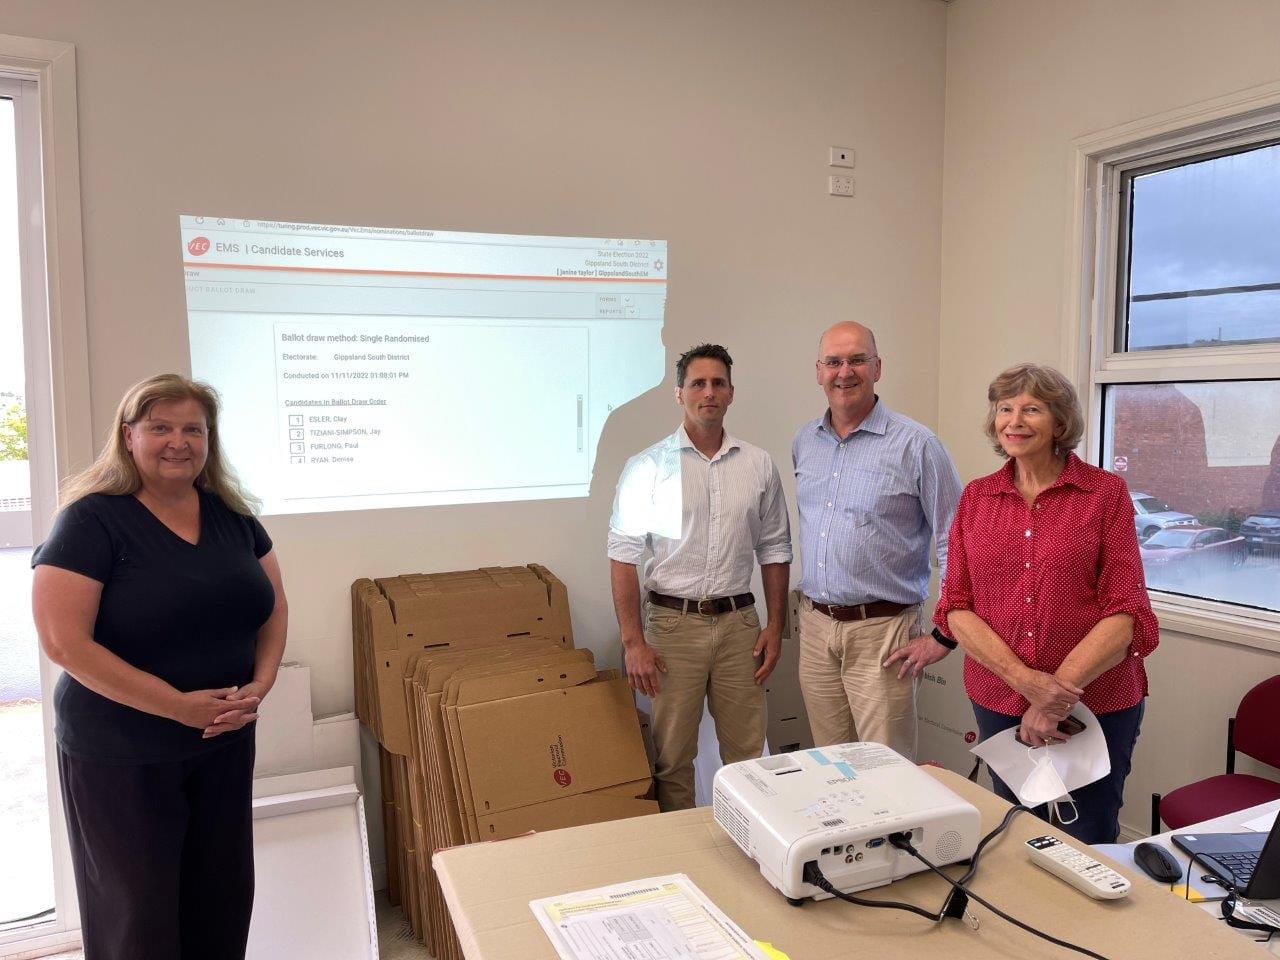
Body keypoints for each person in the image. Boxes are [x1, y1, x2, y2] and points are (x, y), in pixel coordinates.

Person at [31, 373, 288, 960]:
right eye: (160, 427)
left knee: (220, 899)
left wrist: (261, 685)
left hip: (222, 739)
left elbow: (273, 607)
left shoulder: (232, 515)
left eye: (192, 429)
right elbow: (63, 642)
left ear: (209, 440)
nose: (178, 441)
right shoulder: (92, 520)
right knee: (137, 917)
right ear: (129, 437)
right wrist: (177, 706)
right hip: (123, 751)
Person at [935, 362, 1158, 844]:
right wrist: (1029, 684)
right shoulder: (977, 497)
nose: (1014, 420)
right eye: (1005, 408)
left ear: (1060, 422)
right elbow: (956, 606)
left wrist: (1059, 694)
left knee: (1089, 832)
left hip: (1095, 701)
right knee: (1015, 830)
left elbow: (1126, 611)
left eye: (1031, 409)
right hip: (1001, 698)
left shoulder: (1104, 494)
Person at [608, 343, 791, 811]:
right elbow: (623, 556)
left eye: (718, 383)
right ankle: (684, 862)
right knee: (673, 760)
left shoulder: (758, 465)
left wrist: (776, 627)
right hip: (672, 630)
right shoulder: (646, 467)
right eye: (698, 383)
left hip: (740, 628)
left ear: (731, 393)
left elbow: (774, 550)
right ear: (679, 393)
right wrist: (633, 643)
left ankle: (753, 852)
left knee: (749, 760)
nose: (708, 392)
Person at [793, 321, 962, 760]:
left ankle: (889, 835)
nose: (844, 372)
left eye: (857, 360)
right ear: (818, 371)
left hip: (884, 634)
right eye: (833, 362)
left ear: (877, 367)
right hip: (815, 628)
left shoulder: (917, 445)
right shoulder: (804, 443)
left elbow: (957, 543)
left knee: (884, 768)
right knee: (830, 765)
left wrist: (945, 634)